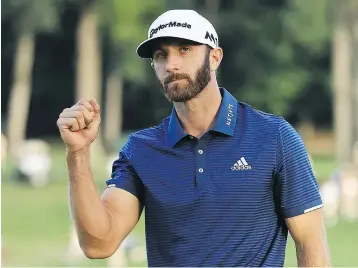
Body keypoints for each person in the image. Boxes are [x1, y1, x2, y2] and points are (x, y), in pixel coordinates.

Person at [57, 9, 331, 267]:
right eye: (161, 55)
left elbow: (312, 247)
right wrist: (78, 154)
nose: (171, 64)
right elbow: (98, 244)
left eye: (184, 50)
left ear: (214, 57)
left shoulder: (274, 137)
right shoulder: (141, 149)